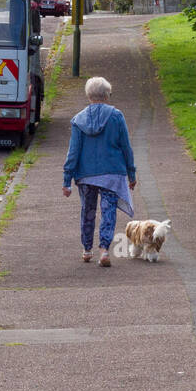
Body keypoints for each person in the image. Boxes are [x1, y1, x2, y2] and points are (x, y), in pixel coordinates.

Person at [62, 76, 136, 267]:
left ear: (89, 95)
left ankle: (87, 250)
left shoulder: (78, 120)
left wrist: (66, 179)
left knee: (87, 210)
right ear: (106, 95)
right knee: (108, 211)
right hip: (111, 173)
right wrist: (132, 174)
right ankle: (104, 250)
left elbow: (73, 152)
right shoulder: (116, 116)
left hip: (86, 174)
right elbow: (126, 147)